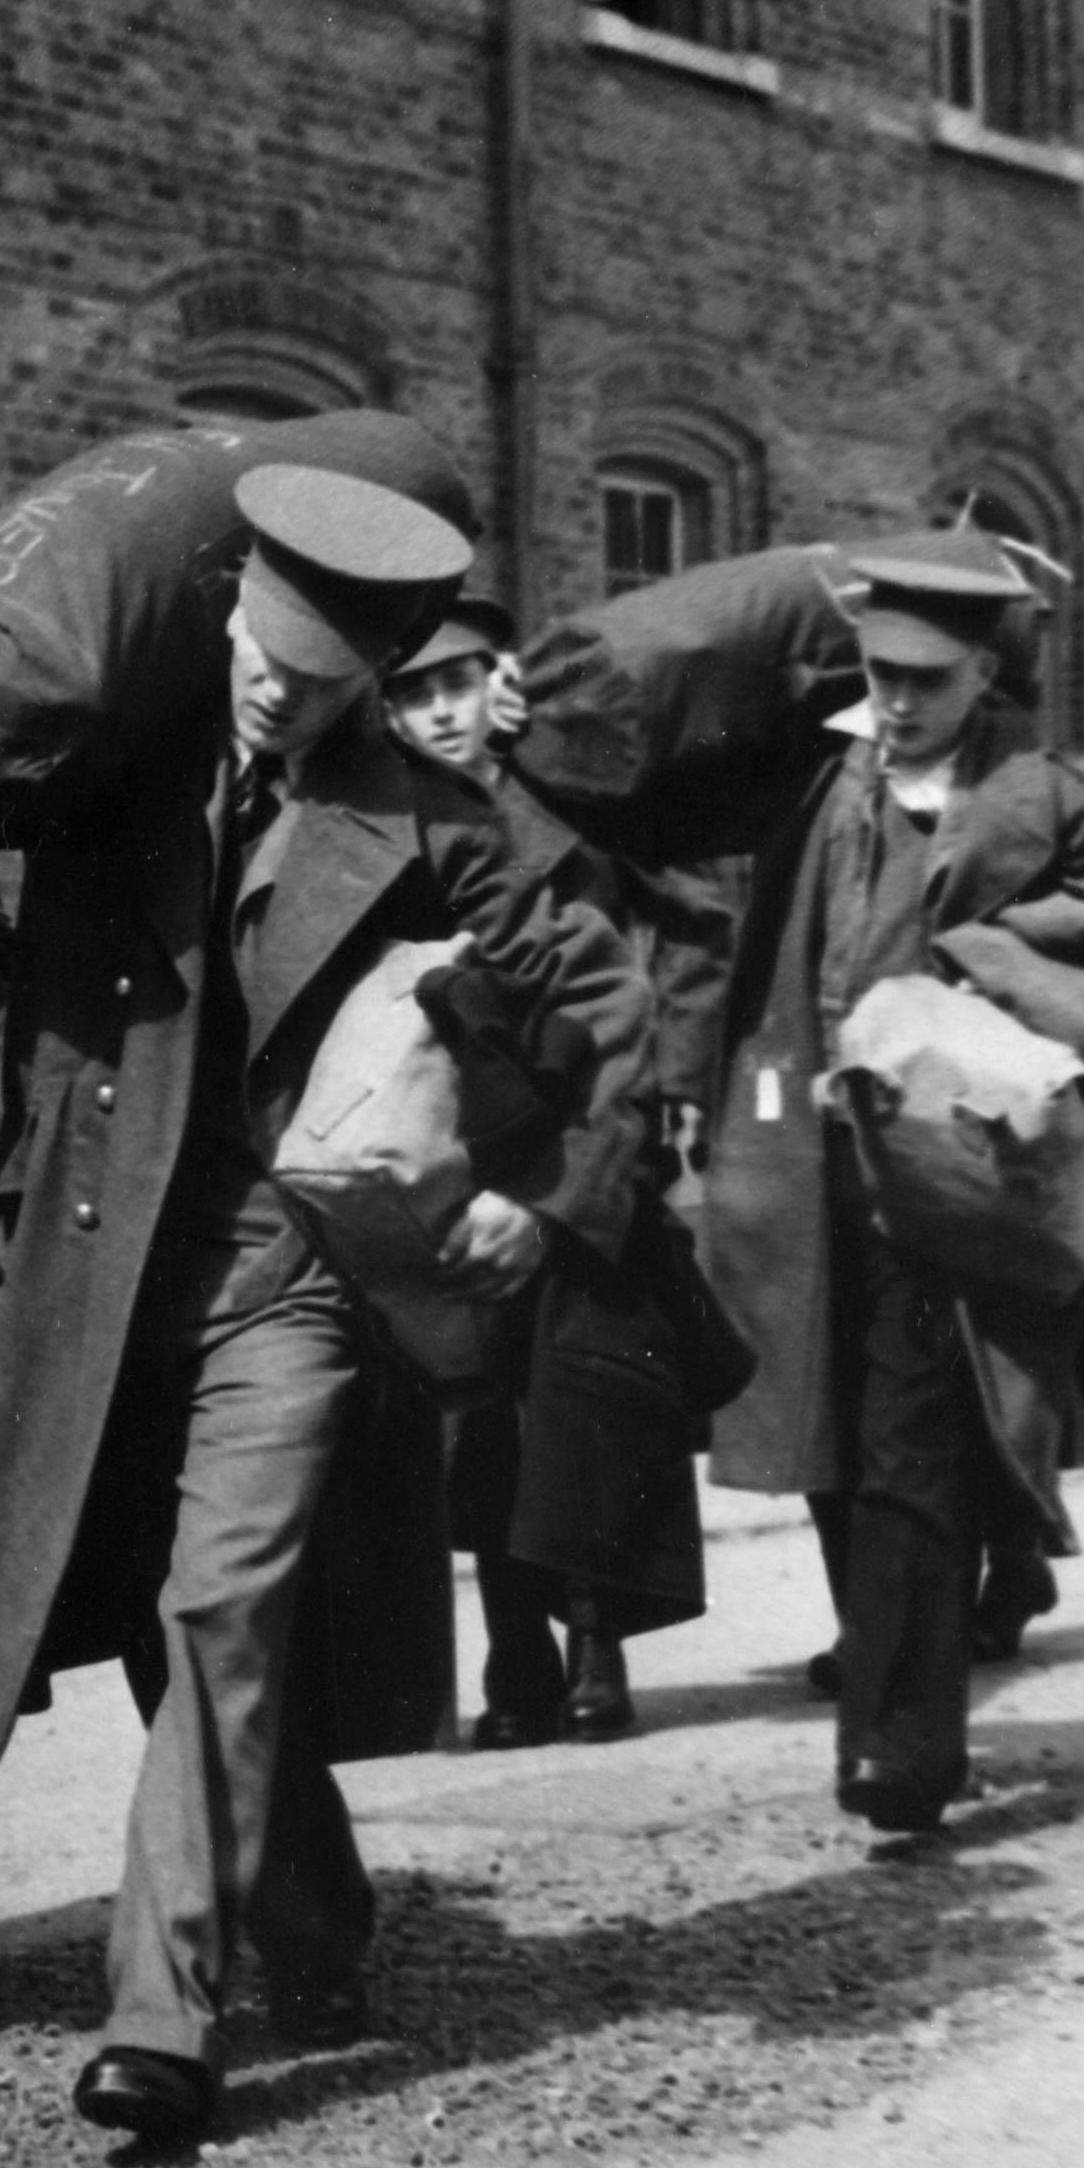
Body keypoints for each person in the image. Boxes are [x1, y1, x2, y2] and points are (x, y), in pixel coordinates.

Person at [0, 441, 645, 2146]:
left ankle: (160, 2019)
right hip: (103, 1264)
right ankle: (317, 1915)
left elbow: (614, 1019)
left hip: (296, 1274)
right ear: (224, 622)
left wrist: (548, 1203)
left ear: (378, 682)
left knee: (224, 1602)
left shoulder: (440, 828)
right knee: (145, 1603)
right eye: (259, 663)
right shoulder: (112, 756)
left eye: (317, 686)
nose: (273, 702)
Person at [689, 528, 1084, 1835]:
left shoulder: (1046, 798)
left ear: (988, 676)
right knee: (824, 1440)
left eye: (929, 677)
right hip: (803, 1169)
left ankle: (898, 1745)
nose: (898, 700)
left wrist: (988, 971)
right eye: (880, 670)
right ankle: (890, 1661)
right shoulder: (819, 781)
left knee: (913, 1436)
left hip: (947, 1173)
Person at [379, 593, 710, 1746]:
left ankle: (594, 1642)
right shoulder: (389, 830)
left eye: (458, 686)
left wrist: (572, 1198)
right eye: (414, 696)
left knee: (585, 1405)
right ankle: (513, 1652)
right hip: (450, 1155)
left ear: (497, 687)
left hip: (578, 1153)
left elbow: (626, 1014)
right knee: (479, 1427)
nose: (440, 715)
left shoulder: (560, 813)